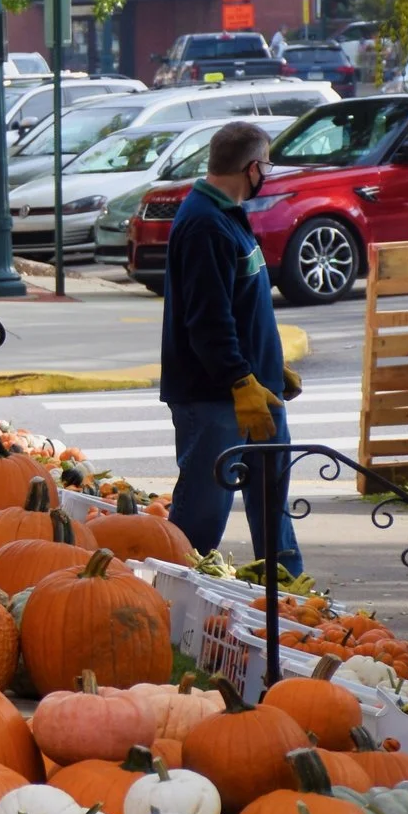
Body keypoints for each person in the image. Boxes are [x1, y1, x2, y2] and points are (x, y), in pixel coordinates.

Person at [161, 121, 304, 574]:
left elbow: (244, 306)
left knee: (272, 503)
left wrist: (271, 367)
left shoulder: (228, 215)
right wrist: (240, 379)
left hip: (258, 387)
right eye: (268, 166)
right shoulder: (205, 223)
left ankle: (286, 591)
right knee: (202, 513)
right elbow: (208, 321)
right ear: (253, 168)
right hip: (216, 398)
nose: (268, 175)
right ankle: (176, 587)